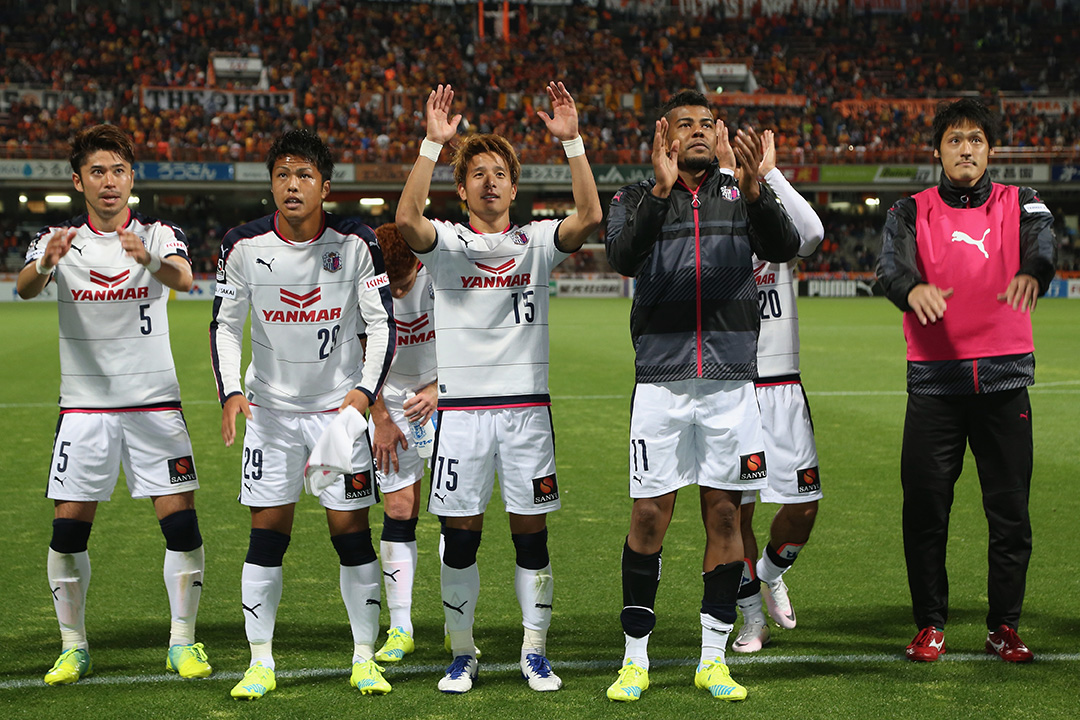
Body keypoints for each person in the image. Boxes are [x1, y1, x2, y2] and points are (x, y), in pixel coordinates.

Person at [395, 81, 602, 694]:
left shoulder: (535, 242)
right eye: (477, 174)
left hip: (525, 415)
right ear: (461, 190)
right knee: (460, 541)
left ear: (515, 188)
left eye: (500, 174)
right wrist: (432, 145)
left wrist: (573, 144)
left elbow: (590, 217)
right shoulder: (447, 244)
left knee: (530, 538)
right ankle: (463, 653)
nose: (490, 182)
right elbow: (406, 220)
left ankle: (534, 652)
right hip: (461, 416)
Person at [603, 90, 800, 702]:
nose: (696, 132)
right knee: (648, 516)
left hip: (730, 383)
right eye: (684, 123)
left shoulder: (741, 194)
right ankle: (635, 658)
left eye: (706, 124)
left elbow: (784, 246)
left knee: (725, 517)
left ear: (718, 135)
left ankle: (713, 659)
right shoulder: (634, 196)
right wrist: (661, 193)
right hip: (660, 382)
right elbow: (621, 256)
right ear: (664, 134)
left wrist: (758, 189)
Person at [17, 124, 211, 685]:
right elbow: (26, 287)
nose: (109, 181)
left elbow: (184, 278)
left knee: (181, 524)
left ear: (131, 178)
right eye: (97, 171)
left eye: (118, 170)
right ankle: (72, 646)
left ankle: (182, 641)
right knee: (68, 531)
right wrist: (47, 262)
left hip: (154, 406)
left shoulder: (159, 233)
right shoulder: (56, 238)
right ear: (78, 181)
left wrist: (148, 259)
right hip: (85, 409)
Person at [210, 130, 396, 698]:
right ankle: (259, 662)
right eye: (283, 175)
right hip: (270, 413)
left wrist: (363, 395)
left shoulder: (357, 243)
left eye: (304, 175)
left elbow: (382, 325)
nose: (293, 185)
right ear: (271, 183)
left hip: (338, 415)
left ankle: (364, 657)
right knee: (267, 536)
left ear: (325, 186)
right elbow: (224, 325)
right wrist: (230, 392)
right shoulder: (242, 245)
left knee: (351, 534)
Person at [876, 98, 1056, 664]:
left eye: (975, 139)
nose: (966, 149)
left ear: (991, 150)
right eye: (954, 140)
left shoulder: (1021, 201)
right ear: (938, 151)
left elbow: (1043, 243)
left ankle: (1004, 626)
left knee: (1010, 514)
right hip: (935, 385)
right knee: (925, 512)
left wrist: (1034, 271)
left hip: (1004, 381)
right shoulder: (908, 210)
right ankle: (930, 624)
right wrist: (911, 288)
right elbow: (890, 266)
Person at [732, 130, 825, 653]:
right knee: (735, 514)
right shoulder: (714, 226)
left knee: (804, 507)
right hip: (733, 386)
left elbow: (812, 232)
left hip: (783, 386)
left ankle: (769, 573)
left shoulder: (774, 226)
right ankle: (750, 618)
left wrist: (770, 173)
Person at [366, 222, 437, 664]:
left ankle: (458, 626)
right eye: (388, 284)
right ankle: (400, 627)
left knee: (457, 513)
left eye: (403, 282)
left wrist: (439, 389)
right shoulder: (365, 280)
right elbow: (355, 353)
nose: (395, 291)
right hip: (390, 401)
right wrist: (380, 418)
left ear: (416, 262)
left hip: (443, 397)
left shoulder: (439, 271)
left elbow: (472, 337)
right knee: (398, 509)